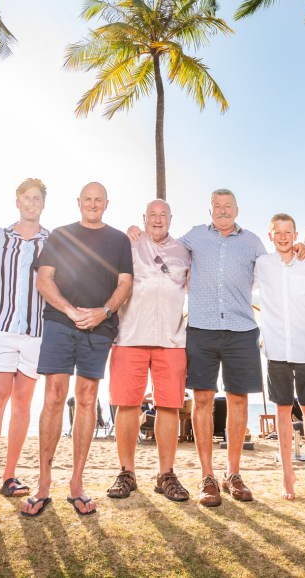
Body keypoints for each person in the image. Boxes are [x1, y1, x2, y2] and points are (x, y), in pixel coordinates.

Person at [20, 182, 133, 518]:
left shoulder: (118, 240)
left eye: (99, 199)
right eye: (88, 199)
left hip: (100, 327)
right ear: (79, 202)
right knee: (54, 395)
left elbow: (125, 283)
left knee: (86, 398)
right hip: (60, 322)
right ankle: (43, 485)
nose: (93, 204)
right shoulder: (60, 235)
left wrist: (104, 312)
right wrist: (70, 311)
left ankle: (77, 485)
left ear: (106, 203)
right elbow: (44, 279)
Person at [177, 189, 267, 507]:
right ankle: (208, 476)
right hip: (201, 330)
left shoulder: (253, 241)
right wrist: (138, 233)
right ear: (211, 209)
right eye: (217, 206)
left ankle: (233, 473)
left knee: (238, 401)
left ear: (237, 209)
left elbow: (271, 275)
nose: (223, 210)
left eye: (228, 206)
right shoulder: (195, 235)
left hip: (242, 330)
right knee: (202, 400)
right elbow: (166, 251)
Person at [0, 178, 50, 512]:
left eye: (37, 199)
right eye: (26, 198)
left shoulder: (52, 240)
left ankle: (9, 476)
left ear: (43, 203)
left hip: (36, 333)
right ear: (17, 201)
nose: (32, 203)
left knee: (22, 406)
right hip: (0, 329)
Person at [106, 199, 192, 504]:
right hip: (130, 335)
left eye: (163, 215)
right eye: (152, 215)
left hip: (172, 339)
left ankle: (166, 474)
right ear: (144, 218)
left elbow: (196, 287)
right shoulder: (127, 243)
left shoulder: (184, 250)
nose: (158, 219)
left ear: (171, 218)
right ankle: (126, 472)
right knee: (127, 404)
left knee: (169, 405)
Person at [256, 212, 305, 502]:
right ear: (270, 235)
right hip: (276, 349)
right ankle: (287, 474)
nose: (283, 237)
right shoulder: (262, 265)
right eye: (277, 232)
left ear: (295, 235)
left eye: (288, 232)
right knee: (282, 410)